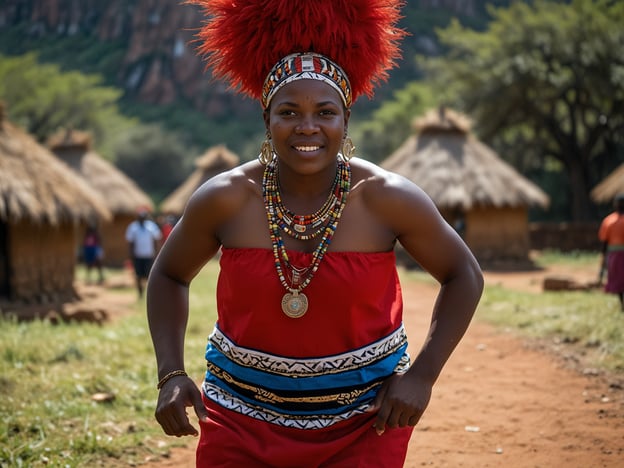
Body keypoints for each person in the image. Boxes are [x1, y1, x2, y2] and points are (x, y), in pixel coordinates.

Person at [147, 1, 484, 466]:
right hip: (240, 418)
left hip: (366, 421)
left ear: (346, 120)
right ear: (267, 120)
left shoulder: (384, 198)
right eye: (289, 111)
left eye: (325, 112)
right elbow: (167, 275)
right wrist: (170, 374)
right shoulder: (226, 199)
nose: (308, 126)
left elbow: (463, 273)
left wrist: (422, 376)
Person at [126, 209, 161, 298]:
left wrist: (157, 253)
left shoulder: (152, 227)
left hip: (149, 255)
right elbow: (130, 243)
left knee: (149, 275)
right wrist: (131, 255)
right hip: (138, 256)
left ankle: (150, 293)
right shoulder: (133, 227)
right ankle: (140, 293)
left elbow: (156, 241)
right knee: (138, 275)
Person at [598, 193, 624, 310]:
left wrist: (603, 256)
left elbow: (604, 243)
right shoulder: (609, 221)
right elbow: (605, 242)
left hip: (614, 256)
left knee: (619, 279)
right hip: (615, 255)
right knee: (619, 280)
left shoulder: (609, 221)